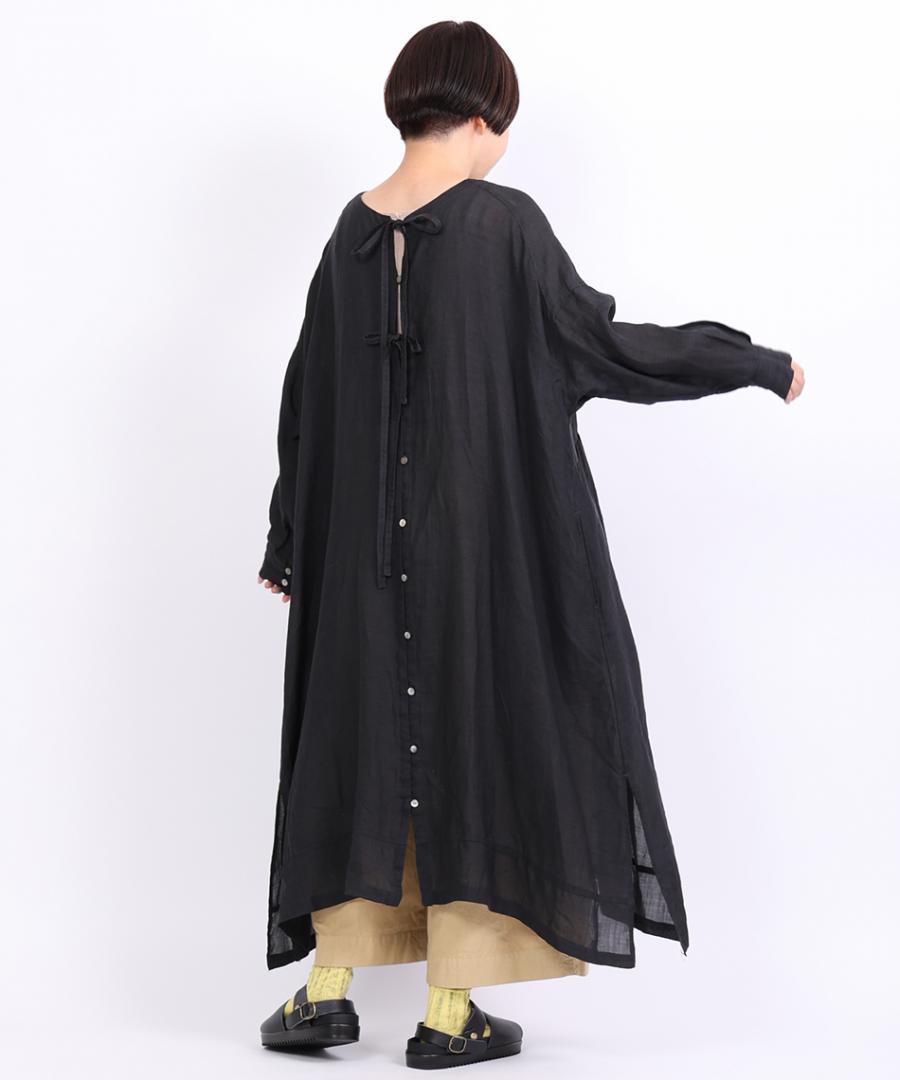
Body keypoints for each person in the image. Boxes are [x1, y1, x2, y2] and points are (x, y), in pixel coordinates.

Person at [255, 19, 805, 1070]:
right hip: (479, 561)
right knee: (476, 744)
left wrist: (289, 540)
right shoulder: (504, 226)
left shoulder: (347, 234)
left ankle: (325, 994)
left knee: (360, 749)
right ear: (480, 116)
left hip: (360, 566)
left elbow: (304, 403)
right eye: (504, 122)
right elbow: (604, 347)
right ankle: (448, 1014)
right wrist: (749, 362)